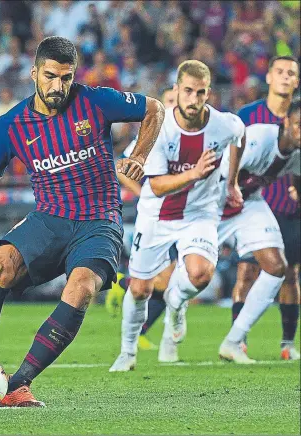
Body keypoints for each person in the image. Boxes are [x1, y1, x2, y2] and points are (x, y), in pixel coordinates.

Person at [0, 36, 165, 407]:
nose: (58, 86)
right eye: (50, 76)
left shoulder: (95, 100)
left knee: (80, 288)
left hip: (98, 221)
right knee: (0, 264)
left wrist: (139, 156)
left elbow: (155, 108)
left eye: (65, 77)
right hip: (49, 219)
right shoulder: (11, 124)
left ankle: (18, 384)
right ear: (34, 73)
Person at [109, 60, 245, 371]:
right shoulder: (160, 129)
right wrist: (196, 173)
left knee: (200, 274)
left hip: (200, 213)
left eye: (200, 93)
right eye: (187, 91)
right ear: (176, 91)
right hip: (157, 215)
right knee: (140, 288)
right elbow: (156, 186)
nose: (193, 99)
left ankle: (176, 302)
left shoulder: (224, 124)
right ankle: (127, 353)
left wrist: (233, 180)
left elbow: (240, 136)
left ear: (208, 94)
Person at [160, 98, 301, 363]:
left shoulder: (296, 154)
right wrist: (233, 184)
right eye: (298, 125)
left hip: (248, 204)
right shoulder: (260, 137)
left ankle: (234, 341)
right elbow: (227, 158)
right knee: (195, 277)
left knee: (276, 267)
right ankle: (175, 307)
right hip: (211, 201)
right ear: (286, 122)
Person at [229, 55, 300, 360]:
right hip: (251, 205)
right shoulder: (249, 115)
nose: (286, 77)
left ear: (296, 81)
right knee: (246, 271)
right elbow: (230, 153)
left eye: (292, 74)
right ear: (269, 77)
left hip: (289, 206)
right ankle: (238, 340)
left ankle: (287, 345)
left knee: (290, 274)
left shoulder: (298, 116)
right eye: (280, 72)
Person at [105, 86, 177, 352]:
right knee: (167, 281)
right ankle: (124, 285)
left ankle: (141, 325)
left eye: (174, 101)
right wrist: (144, 191)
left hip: (184, 216)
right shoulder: (155, 135)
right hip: (157, 216)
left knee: (173, 281)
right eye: (167, 101)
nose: (172, 106)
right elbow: (121, 168)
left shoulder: (191, 135)